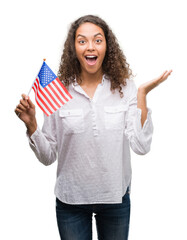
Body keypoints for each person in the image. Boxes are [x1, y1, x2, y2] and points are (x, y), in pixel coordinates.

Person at [15, 15, 172, 240]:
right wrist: (31, 126)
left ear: (107, 46)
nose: (90, 46)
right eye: (82, 41)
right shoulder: (56, 90)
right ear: (74, 48)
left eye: (97, 40)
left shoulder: (125, 87)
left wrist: (141, 96)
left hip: (115, 198)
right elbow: (48, 156)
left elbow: (141, 146)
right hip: (71, 201)